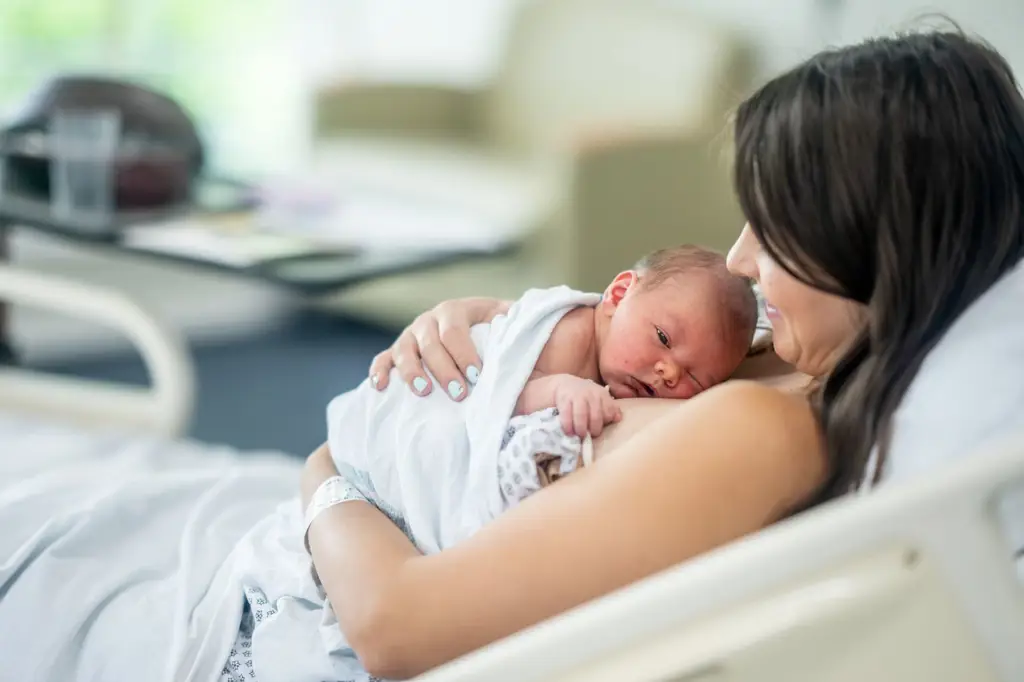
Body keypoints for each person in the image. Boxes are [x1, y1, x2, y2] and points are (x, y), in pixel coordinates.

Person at [2, 28, 1023, 682]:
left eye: (780, 229)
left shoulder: (761, 425)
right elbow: (581, 334)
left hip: (322, 585)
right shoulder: (777, 361)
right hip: (339, 530)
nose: (743, 258)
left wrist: (324, 479)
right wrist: (487, 326)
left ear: (872, 243)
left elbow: (399, 629)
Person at [315, 244, 756, 557]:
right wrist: (561, 388)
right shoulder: (569, 333)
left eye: (696, 377)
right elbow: (505, 391)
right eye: (663, 338)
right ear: (619, 296)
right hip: (413, 400)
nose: (669, 372)